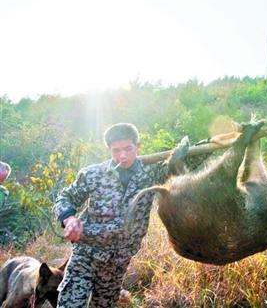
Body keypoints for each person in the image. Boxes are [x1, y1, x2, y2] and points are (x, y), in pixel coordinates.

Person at [53, 123, 187, 308]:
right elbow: (65, 197)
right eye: (116, 150)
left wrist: (180, 156)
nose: (122, 156)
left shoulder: (151, 173)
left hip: (117, 263)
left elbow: (190, 164)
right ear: (109, 149)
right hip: (86, 256)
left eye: (128, 149)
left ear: (138, 146)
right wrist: (69, 219)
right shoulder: (93, 174)